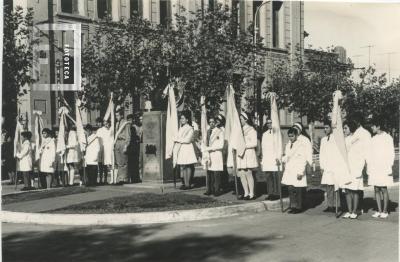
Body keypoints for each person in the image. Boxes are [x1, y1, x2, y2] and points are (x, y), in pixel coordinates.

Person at [368, 118, 395, 219]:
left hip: (384, 167)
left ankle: (385, 211)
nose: (371, 128)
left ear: (378, 126)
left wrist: (389, 167)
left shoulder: (388, 138)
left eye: (373, 126)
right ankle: (379, 210)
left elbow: (391, 153)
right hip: (375, 167)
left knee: (383, 188)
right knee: (376, 189)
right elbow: (370, 154)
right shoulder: (373, 139)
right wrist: (370, 167)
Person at [281, 127, 308, 213]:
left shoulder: (301, 145)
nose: (290, 138)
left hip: (297, 169)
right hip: (290, 170)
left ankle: (298, 207)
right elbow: (287, 156)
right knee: (290, 188)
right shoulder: (288, 145)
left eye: (292, 136)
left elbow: (303, 159)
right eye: (289, 136)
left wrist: (301, 172)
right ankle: (293, 205)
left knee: (298, 190)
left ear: (296, 135)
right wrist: (281, 159)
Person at [342, 121, 365, 219]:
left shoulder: (357, 139)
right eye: (343, 128)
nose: (344, 130)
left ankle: (355, 211)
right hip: (346, 168)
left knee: (354, 190)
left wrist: (360, 169)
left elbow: (361, 155)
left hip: (355, 168)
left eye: (345, 128)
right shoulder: (343, 140)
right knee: (347, 190)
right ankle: (349, 210)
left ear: (351, 128)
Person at [174, 110, 197, 190]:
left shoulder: (190, 128)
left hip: (187, 148)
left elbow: (188, 140)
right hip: (182, 148)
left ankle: (188, 184)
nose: (181, 120)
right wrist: (179, 139)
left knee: (188, 166)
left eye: (183, 118)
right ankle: (184, 182)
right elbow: (177, 137)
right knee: (183, 166)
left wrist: (179, 140)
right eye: (181, 118)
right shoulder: (181, 128)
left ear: (187, 119)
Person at [237, 112, 258, 200]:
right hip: (241, 154)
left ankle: (252, 193)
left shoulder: (251, 130)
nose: (240, 121)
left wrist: (244, 145)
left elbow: (254, 143)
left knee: (248, 173)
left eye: (241, 119)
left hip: (248, 153)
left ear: (246, 119)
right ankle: (246, 192)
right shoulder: (239, 130)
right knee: (242, 173)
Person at [319, 120, 338, 213]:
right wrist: (322, 166)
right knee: (328, 186)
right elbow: (321, 154)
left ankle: (336, 205)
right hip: (326, 166)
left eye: (327, 127)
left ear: (331, 128)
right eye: (324, 128)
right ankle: (330, 205)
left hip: (334, 166)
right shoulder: (323, 140)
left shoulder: (336, 139)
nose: (325, 129)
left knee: (335, 186)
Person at [261, 118, 282, 200]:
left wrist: (278, 157)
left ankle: (276, 193)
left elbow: (279, 146)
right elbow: (263, 147)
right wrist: (263, 159)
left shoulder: (277, 134)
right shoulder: (265, 134)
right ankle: (270, 193)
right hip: (267, 158)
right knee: (268, 176)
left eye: (270, 123)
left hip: (274, 158)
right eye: (268, 123)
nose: (269, 124)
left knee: (275, 176)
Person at [204, 116, 225, 196]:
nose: (211, 123)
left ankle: (217, 190)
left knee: (216, 173)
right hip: (209, 154)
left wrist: (210, 148)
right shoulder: (208, 131)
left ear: (216, 123)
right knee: (209, 173)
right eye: (210, 122)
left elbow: (221, 145)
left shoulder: (219, 132)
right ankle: (209, 189)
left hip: (216, 154)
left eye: (213, 122)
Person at [114, 109, 131, 185]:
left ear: (121, 115)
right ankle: (120, 178)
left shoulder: (126, 123)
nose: (116, 117)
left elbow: (128, 135)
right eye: (115, 115)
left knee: (124, 161)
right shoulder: (117, 123)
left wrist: (126, 145)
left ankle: (124, 178)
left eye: (117, 115)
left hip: (123, 142)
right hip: (117, 142)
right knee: (119, 162)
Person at [96, 119, 113, 184]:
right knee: (100, 164)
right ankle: (100, 179)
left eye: (107, 123)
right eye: (105, 123)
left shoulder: (111, 130)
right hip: (101, 148)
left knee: (106, 164)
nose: (106, 124)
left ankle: (105, 179)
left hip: (108, 149)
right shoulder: (100, 130)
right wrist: (100, 148)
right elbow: (99, 140)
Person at [127, 114, 140, 183]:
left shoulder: (135, 127)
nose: (129, 121)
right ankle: (132, 178)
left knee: (135, 163)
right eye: (128, 120)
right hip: (130, 147)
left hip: (134, 147)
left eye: (131, 119)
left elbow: (137, 136)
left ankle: (135, 178)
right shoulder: (127, 127)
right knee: (131, 164)